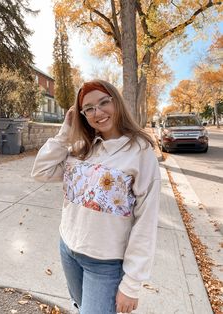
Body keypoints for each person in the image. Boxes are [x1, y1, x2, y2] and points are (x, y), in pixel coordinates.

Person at [31, 80, 161, 314]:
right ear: (82, 115)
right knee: (81, 308)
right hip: (68, 249)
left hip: (104, 264)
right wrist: (64, 134)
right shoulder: (82, 147)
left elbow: (146, 221)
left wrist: (131, 284)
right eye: (88, 108)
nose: (97, 112)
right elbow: (41, 172)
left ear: (116, 102)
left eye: (103, 102)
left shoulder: (139, 151)